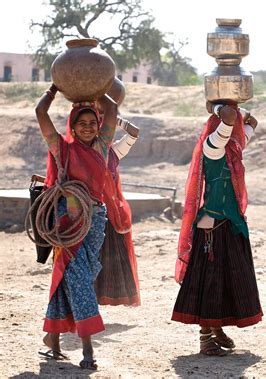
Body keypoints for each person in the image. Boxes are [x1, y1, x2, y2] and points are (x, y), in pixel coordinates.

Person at [35, 83, 117, 369]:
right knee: (80, 279)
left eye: (92, 122)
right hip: (68, 222)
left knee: (74, 275)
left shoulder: (103, 147)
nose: (87, 127)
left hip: (95, 220)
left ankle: (53, 338)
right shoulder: (62, 149)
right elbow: (40, 112)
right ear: (72, 125)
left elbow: (113, 110)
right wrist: (54, 89)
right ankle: (87, 350)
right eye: (81, 123)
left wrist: (98, 90)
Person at [172, 101, 263, 355]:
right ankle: (205, 338)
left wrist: (233, 107)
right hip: (212, 227)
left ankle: (217, 327)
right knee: (210, 284)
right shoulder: (213, 146)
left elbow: (251, 121)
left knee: (230, 281)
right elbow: (231, 117)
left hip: (231, 224)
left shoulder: (234, 145)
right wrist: (216, 107)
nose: (239, 130)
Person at [94, 117, 140, 306]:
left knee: (109, 262)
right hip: (88, 215)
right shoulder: (82, 153)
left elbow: (134, 132)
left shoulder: (113, 152)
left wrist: (113, 117)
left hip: (111, 217)